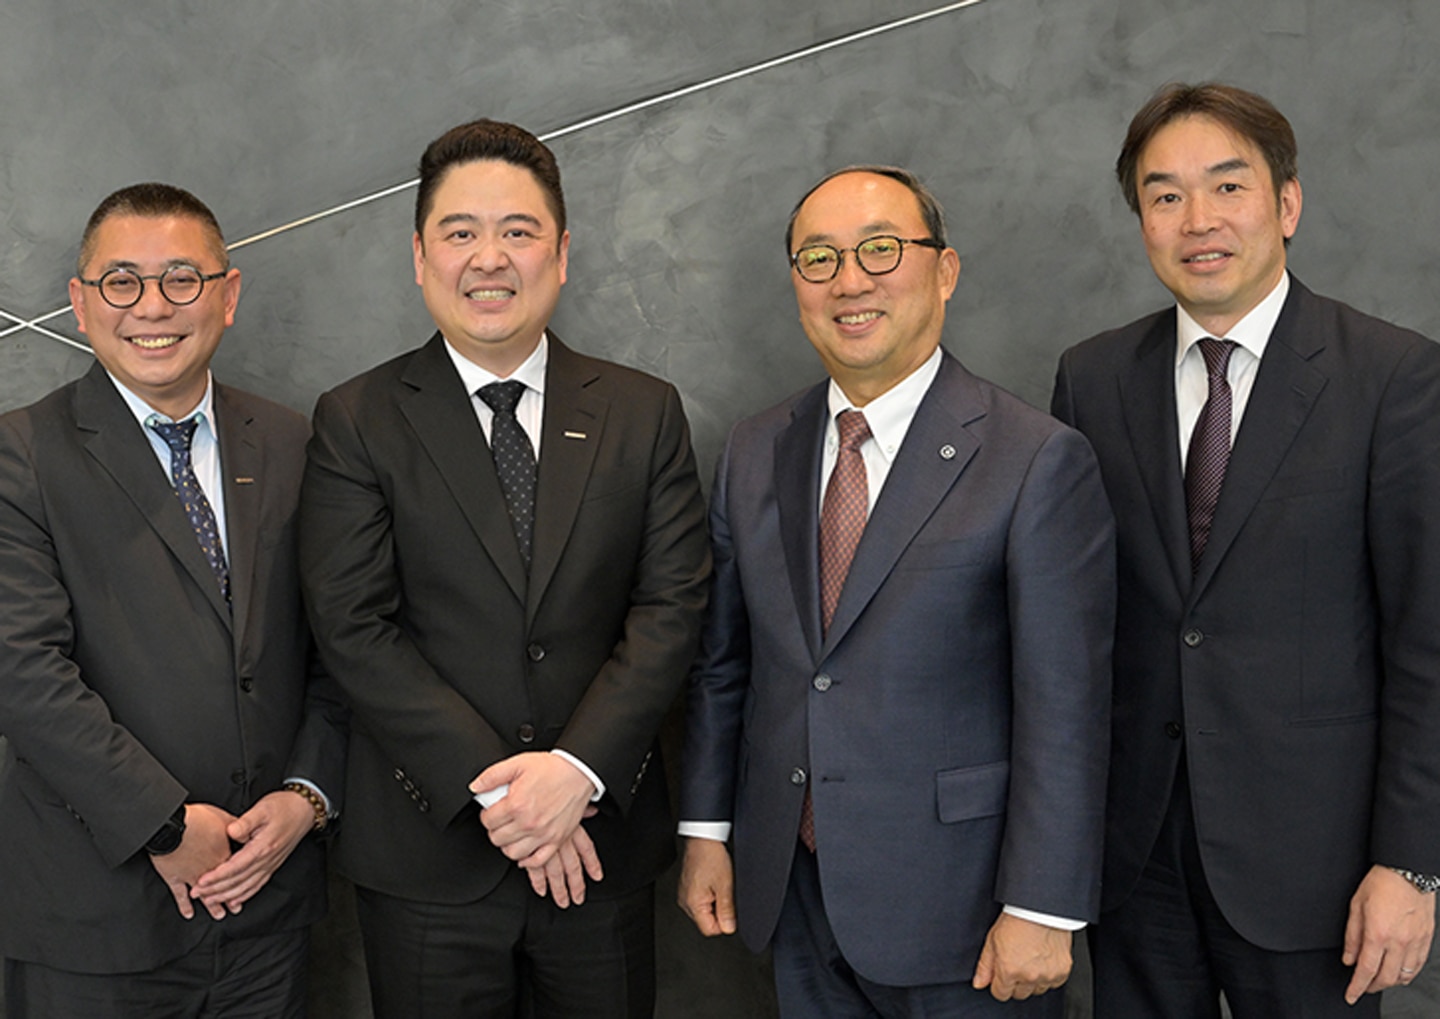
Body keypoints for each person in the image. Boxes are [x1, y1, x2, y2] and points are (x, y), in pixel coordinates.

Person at [677, 165, 1115, 1017]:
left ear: (944, 271)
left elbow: (1069, 702)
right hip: (794, 893)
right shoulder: (756, 449)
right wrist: (707, 830)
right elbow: (725, 664)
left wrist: (1043, 903)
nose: (850, 281)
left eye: (881, 249)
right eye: (819, 258)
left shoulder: (1035, 458)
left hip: (969, 914)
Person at [298, 118, 710, 1018]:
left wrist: (575, 773)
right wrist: (508, 796)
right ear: (419, 255)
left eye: (518, 231)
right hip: (427, 856)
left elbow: (672, 606)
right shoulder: (356, 418)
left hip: (599, 843)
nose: (490, 258)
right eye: (460, 232)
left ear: (561, 254)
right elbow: (354, 626)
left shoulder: (643, 412)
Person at [1051, 82, 1440, 1018]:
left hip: (1318, 867)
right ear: (1141, 219)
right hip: (1134, 859)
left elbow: (1430, 643)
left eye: (1228, 187)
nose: (1199, 220)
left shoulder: (1392, 376)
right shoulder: (1093, 377)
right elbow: (1073, 630)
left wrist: (1414, 863)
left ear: (1287, 203)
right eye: (1165, 194)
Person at [0, 182, 346, 1018]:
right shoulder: (21, 456)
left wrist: (308, 797)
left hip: (270, 908)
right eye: (121, 282)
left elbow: (346, 647)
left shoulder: (300, 442)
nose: (152, 306)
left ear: (227, 297)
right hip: (96, 927)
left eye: (182, 279)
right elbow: (23, 673)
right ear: (81, 306)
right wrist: (162, 823)